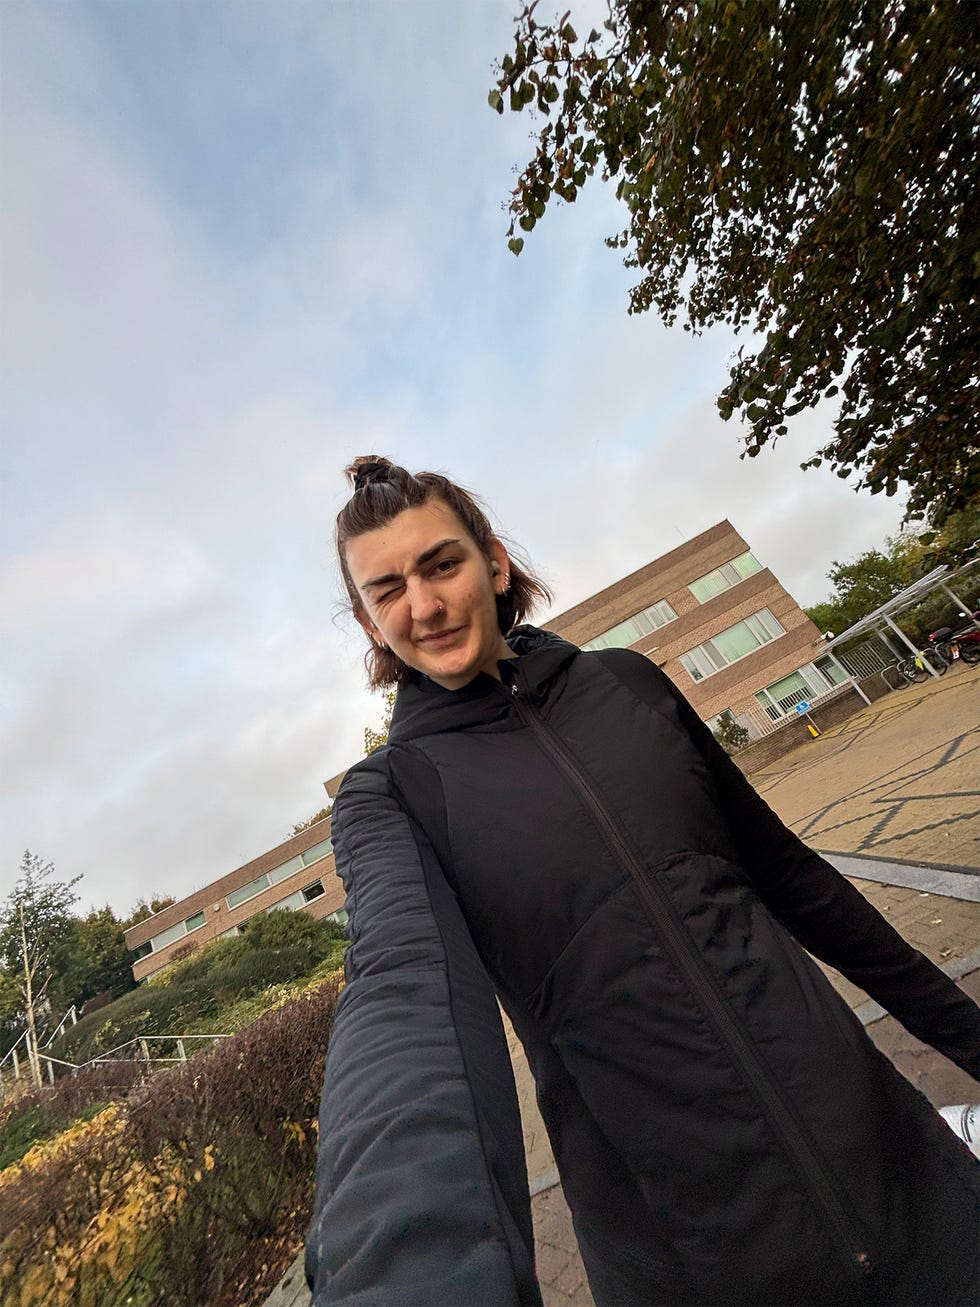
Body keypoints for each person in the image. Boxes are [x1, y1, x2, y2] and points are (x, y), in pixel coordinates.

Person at [306, 455, 979, 1307]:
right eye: (387, 590)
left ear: (495, 562)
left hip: (899, 1170)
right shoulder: (390, 796)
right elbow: (401, 996)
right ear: (370, 625)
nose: (424, 605)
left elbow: (797, 882)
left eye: (441, 564)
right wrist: (404, 1266)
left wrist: (967, 1036)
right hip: (689, 1264)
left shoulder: (628, 684)